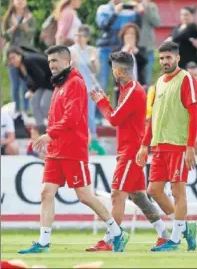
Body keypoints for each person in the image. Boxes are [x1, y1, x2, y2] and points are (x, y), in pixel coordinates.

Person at [18, 45, 126, 254]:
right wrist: (52, 137)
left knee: (84, 195)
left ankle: (117, 232)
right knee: (46, 192)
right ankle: (43, 243)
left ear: (67, 62)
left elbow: (73, 117)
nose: (51, 65)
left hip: (72, 149)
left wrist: (50, 134)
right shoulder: (59, 85)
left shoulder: (75, 83)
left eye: (55, 61)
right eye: (49, 62)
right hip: (56, 149)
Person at [88, 51, 170, 252]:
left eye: (113, 69)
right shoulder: (129, 89)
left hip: (131, 151)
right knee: (139, 197)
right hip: (131, 149)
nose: (113, 73)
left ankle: (111, 239)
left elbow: (114, 119)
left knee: (117, 194)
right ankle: (165, 235)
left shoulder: (133, 90)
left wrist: (101, 102)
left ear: (118, 70)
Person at [136, 41, 197, 252]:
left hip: (178, 145)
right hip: (159, 146)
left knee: (177, 191)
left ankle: (174, 240)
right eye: (161, 58)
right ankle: (185, 228)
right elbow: (153, 117)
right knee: (153, 190)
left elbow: (194, 113)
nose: (164, 61)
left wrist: (190, 146)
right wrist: (144, 145)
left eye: (168, 57)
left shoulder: (186, 79)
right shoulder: (159, 82)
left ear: (177, 58)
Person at [96, 0, 140, 96]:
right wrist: (115, 13)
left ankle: (119, 111)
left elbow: (136, 28)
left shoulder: (128, 11)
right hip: (105, 50)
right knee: (102, 83)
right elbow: (103, 26)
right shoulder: (103, 9)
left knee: (122, 85)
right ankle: (98, 114)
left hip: (120, 51)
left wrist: (139, 12)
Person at [69, 25, 105, 155]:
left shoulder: (92, 50)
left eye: (81, 36)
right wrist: (72, 63)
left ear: (87, 38)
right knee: (76, 115)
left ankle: (93, 141)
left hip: (89, 88)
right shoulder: (71, 50)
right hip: (75, 88)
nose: (78, 38)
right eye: (77, 35)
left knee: (89, 115)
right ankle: (76, 141)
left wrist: (93, 61)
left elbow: (96, 70)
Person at [2, 0, 36, 117]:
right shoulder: (8, 17)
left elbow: (32, 34)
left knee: (24, 83)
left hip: (24, 54)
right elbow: (5, 35)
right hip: (11, 53)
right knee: (15, 83)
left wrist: (26, 28)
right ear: (14, 1)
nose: (20, 1)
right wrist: (14, 27)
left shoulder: (30, 17)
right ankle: (16, 110)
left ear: (25, 1)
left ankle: (26, 111)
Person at [7, 47, 54, 128]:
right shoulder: (19, 69)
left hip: (53, 81)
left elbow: (41, 77)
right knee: (33, 102)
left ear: (20, 55)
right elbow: (29, 82)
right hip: (42, 84)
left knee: (44, 104)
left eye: (13, 57)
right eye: (10, 59)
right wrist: (31, 90)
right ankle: (40, 128)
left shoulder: (28, 61)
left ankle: (54, 126)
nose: (12, 61)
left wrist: (32, 91)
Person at [128, 0, 161, 86]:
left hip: (147, 49)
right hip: (130, 49)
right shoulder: (126, 6)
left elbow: (157, 23)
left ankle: (146, 102)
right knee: (129, 81)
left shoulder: (151, 6)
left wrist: (145, 10)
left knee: (146, 81)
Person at [114, 23, 148, 88]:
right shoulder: (117, 50)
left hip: (138, 86)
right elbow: (112, 63)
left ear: (136, 37)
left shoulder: (141, 50)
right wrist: (124, 51)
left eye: (132, 34)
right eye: (127, 34)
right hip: (121, 88)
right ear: (123, 36)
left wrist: (134, 49)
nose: (129, 36)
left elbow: (144, 62)